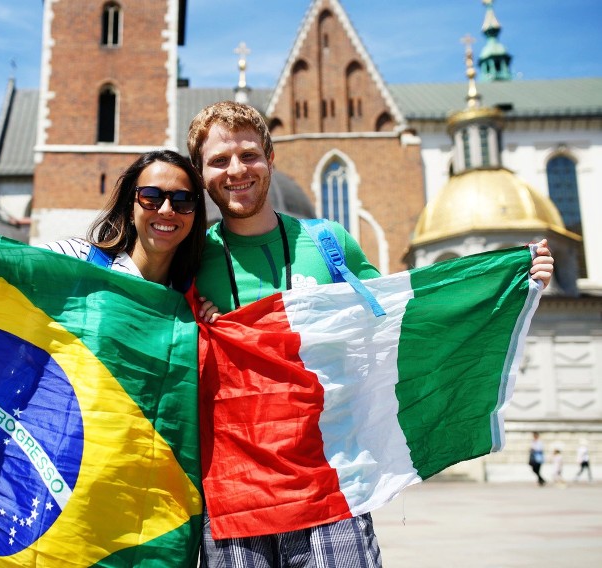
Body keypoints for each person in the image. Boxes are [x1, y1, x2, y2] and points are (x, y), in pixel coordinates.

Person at [186, 100, 555, 568]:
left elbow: (402, 323)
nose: (237, 170)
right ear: (201, 174)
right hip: (234, 494)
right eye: (219, 160)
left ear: (270, 158)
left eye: (249, 154)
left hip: (331, 485)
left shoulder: (327, 242)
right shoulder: (190, 258)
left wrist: (508, 283)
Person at [42, 149, 218, 321]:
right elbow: (17, 265)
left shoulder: (189, 304)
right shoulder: (79, 259)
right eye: (151, 196)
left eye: (182, 200)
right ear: (130, 211)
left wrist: (208, 329)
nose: (166, 210)